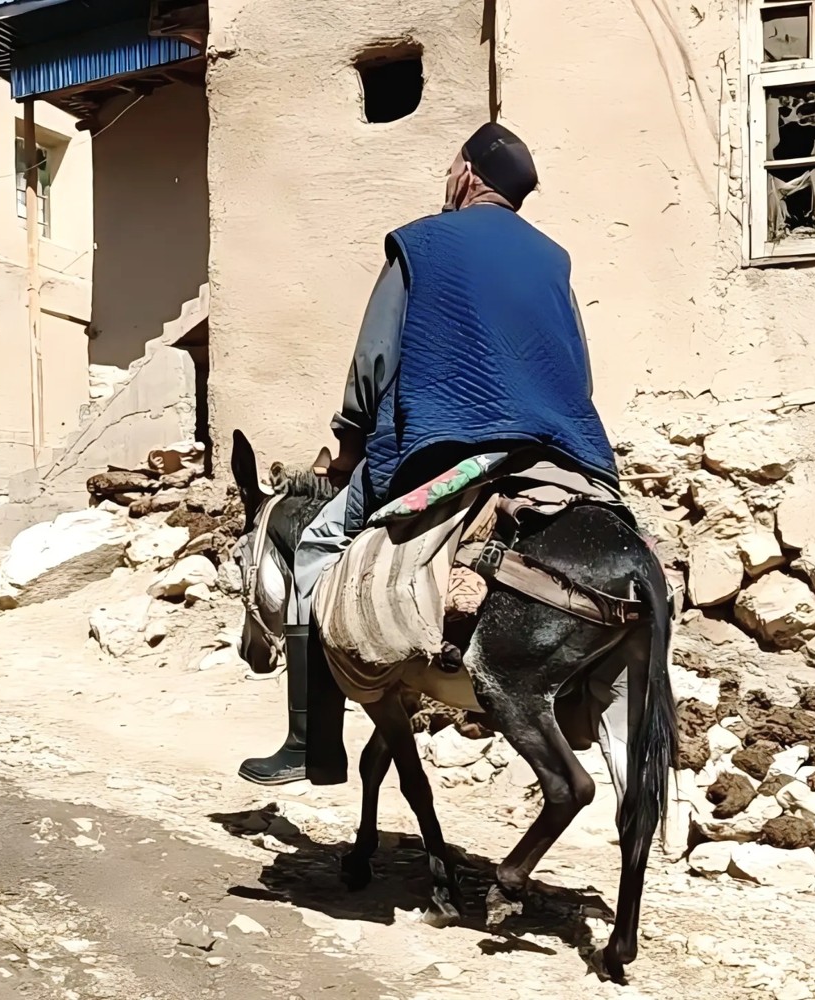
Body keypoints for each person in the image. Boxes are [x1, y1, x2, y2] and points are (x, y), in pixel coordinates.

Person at [238, 122, 619, 787]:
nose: (446, 180)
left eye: (450, 168)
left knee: (316, 546)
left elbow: (374, 359)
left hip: (446, 447)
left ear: (468, 174)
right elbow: (577, 369)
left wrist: (348, 448)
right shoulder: (554, 260)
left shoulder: (421, 243)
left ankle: (309, 741)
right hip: (557, 454)